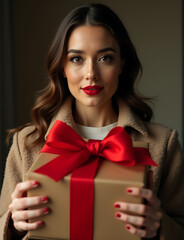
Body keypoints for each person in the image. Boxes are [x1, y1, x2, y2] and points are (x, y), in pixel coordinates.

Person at [0, 3, 183, 240]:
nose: (91, 73)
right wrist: (13, 224)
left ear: (121, 64)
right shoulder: (27, 143)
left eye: (105, 58)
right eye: (76, 59)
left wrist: (160, 227)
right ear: (62, 67)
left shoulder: (163, 144)